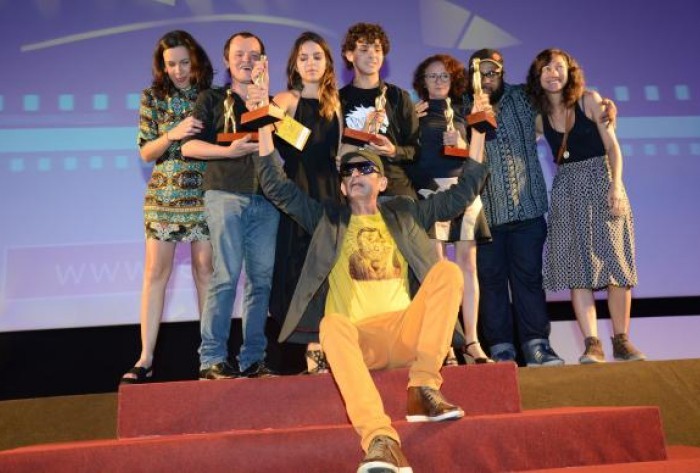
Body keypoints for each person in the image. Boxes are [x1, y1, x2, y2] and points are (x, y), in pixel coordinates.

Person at [253, 72, 491, 472]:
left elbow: (463, 193)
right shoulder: (327, 218)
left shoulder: (406, 212)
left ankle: (423, 386)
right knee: (331, 326)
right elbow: (277, 187)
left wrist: (479, 132)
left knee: (448, 273)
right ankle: (381, 440)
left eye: (365, 169)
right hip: (359, 341)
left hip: (406, 333)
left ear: (382, 182)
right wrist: (263, 120)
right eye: (348, 173)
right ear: (342, 188)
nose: (355, 175)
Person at [525, 48, 645, 364]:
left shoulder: (589, 100)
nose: (552, 73)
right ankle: (592, 343)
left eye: (558, 67)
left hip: (603, 184)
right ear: (538, 76)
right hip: (567, 190)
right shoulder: (539, 118)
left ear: (570, 72)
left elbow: (613, 148)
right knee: (578, 269)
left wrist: (616, 185)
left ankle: (622, 340)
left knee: (616, 264)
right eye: (545, 69)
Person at [181, 31, 279, 379]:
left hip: (266, 199)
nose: (246, 60)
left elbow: (287, 148)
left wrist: (263, 106)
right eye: (239, 54)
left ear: (263, 62)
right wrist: (227, 152)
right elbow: (188, 147)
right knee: (225, 275)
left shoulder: (272, 104)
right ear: (226, 60)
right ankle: (212, 359)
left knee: (261, 281)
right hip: (224, 194)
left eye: (254, 55)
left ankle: (252, 359)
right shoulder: (210, 99)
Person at [460, 48, 565, 366]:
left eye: (492, 72)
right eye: (480, 74)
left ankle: (536, 345)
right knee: (490, 284)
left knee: (528, 279)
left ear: (502, 72)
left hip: (527, 211)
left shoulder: (525, 97)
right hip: (485, 216)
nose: (487, 79)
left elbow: (562, 103)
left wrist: (600, 105)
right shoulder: (461, 107)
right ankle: (501, 349)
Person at [121, 30, 214, 384]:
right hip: (163, 197)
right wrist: (172, 134)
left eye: (184, 63)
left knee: (206, 271)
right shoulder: (152, 97)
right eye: (170, 64)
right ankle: (145, 358)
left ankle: (210, 356)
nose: (178, 70)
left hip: (204, 194)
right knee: (155, 273)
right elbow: (146, 152)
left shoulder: (210, 96)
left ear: (196, 60)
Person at [268, 31, 344, 374]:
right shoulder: (286, 99)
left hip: (331, 191)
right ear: (294, 65)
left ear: (327, 62)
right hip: (298, 189)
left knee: (331, 267)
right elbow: (266, 132)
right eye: (304, 57)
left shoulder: (335, 103)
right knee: (299, 265)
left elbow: (339, 153)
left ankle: (331, 345)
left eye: (317, 56)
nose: (311, 63)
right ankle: (310, 350)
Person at [412, 54, 493, 364]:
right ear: (422, 81)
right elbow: (404, 155)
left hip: (464, 193)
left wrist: (461, 144)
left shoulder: (463, 112)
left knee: (468, 268)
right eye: (432, 76)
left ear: (454, 79)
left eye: (444, 75)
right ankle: (443, 342)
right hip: (430, 195)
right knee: (438, 271)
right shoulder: (414, 113)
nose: (438, 81)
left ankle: (471, 340)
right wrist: (408, 124)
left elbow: (478, 156)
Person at [339, 22, 419, 199]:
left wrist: (393, 151)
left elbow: (416, 149)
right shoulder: (337, 100)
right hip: (354, 193)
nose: (372, 55)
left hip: (395, 191)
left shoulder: (398, 96)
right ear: (350, 55)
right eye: (364, 49)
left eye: (377, 49)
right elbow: (333, 153)